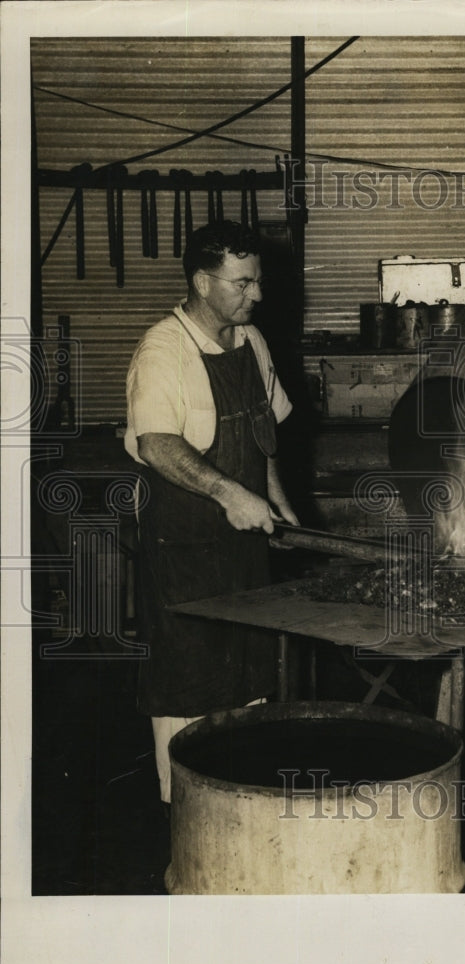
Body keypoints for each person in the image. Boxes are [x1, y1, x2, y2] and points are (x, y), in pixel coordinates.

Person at [124, 220, 299, 803]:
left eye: (257, 281)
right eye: (243, 283)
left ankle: (245, 805)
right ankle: (185, 820)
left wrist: (276, 501)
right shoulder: (163, 350)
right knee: (188, 681)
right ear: (203, 281)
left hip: (245, 546)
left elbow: (260, 435)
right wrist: (230, 494)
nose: (258, 295)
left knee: (251, 673)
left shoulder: (252, 342)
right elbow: (157, 445)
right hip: (185, 551)